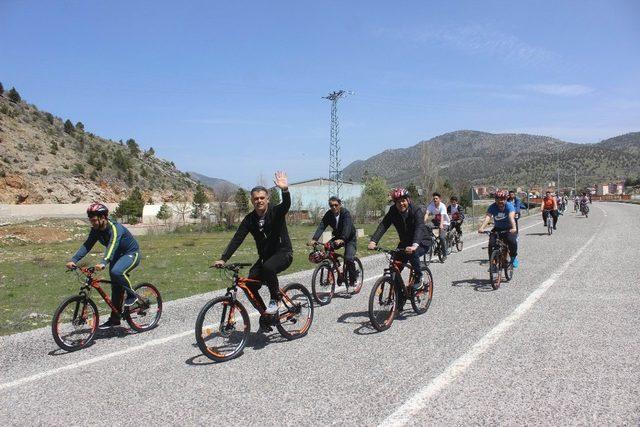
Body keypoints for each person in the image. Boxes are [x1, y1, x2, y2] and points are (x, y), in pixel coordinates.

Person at [214, 171, 292, 315]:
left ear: (267, 199)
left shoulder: (276, 211)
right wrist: (223, 258)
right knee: (249, 283)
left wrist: (285, 190)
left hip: (283, 253)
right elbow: (237, 238)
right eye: (256, 198)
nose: (259, 201)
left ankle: (275, 299)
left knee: (269, 268)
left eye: (262, 197)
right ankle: (266, 315)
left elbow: (286, 204)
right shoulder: (249, 219)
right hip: (265, 257)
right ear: (252, 200)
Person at [66, 203, 141, 329]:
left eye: (94, 220)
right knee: (116, 287)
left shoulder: (115, 228)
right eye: (91, 220)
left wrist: (104, 262)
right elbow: (87, 245)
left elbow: (112, 244)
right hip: (117, 256)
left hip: (131, 254)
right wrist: (73, 260)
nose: (93, 223)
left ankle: (132, 295)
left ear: (103, 217)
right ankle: (115, 319)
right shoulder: (95, 230)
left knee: (117, 272)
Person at [368, 188, 430, 290]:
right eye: (398, 201)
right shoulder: (393, 211)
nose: (401, 203)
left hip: (422, 241)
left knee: (412, 253)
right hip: (405, 242)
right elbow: (384, 225)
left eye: (403, 200)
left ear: (408, 200)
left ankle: (419, 278)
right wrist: (373, 241)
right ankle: (399, 298)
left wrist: (415, 245)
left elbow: (419, 227)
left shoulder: (416, 210)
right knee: (394, 270)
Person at [308, 196, 357, 286]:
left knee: (349, 258)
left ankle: (353, 280)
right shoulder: (329, 214)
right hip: (338, 237)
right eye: (331, 205)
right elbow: (322, 226)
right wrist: (314, 239)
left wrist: (342, 239)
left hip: (349, 238)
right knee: (327, 247)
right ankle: (337, 267)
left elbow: (347, 227)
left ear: (340, 205)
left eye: (336, 205)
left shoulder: (345, 213)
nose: (333, 207)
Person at [478, 190, 519, 268]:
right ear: (495, 199)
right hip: (498, 228)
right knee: (491, 244)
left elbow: (511, 217)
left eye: (502, 198)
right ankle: (492, 262)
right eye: (498, 199)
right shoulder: (492, 207)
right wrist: (482, 227)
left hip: (509, 228)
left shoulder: (509, 206)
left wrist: (514, 227)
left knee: (512, 241)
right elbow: (488, 217)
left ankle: (513, 258)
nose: (500, 201)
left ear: (506, 199)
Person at [425, 192, 451, 259]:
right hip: (436, 221)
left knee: (442, 237)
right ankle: (431, 245)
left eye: (436, 198)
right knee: (427, 228)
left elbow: (442, 216)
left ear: (440, 199)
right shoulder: (431, 205)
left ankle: (445, 254)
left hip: (444, 222)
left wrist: (441, 225)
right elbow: (427, 213)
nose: (435, 200)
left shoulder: (442, 206)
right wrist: (423, 222)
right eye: (434, 199)